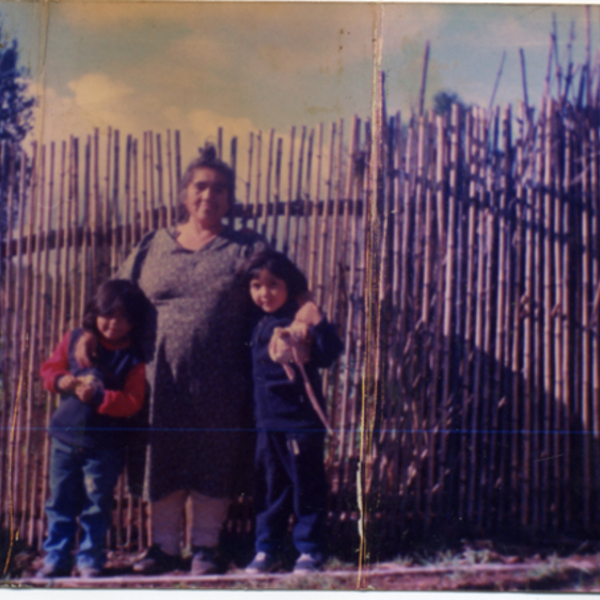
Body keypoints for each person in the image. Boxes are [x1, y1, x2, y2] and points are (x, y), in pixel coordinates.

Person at [75, 146, 316, 575]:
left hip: (224, 378)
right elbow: (116, 295)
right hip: (157, 376)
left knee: (214, 456)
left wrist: (306, 311)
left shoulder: (246, 247)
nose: (210, 196)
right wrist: (86, 334)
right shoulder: (153, 245)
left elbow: (288, 283)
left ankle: (206, 548)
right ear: (184, 195)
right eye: (201, 187)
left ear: (230, 199)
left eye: (220, 189)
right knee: (160, 456)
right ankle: (163, 549)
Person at [38, 280, 147, 578]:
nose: (114, 323)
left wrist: (100, 397)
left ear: (134, 321)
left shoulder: (134, 359)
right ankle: (56, 556)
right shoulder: (76, 339)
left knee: (96, 504)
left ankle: (89, 558)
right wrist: (59, 381)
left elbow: (133, 402)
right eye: (108, 314)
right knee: (59, 500)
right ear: (94, 312)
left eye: (124, 317)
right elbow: (50, 368)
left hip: (104, 446)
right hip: (65, 439)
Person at [243, 250, 343, 575]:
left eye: (273, 284)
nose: (264, 292)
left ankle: (309, 550)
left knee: (305, 484)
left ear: (290, 285)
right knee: (270, 485)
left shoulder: (300, 320)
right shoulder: (257, 322)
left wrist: (318, 322)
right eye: (256, 285)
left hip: (300, 422)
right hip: (266, 422)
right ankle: (266, 549)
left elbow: (330, 354)